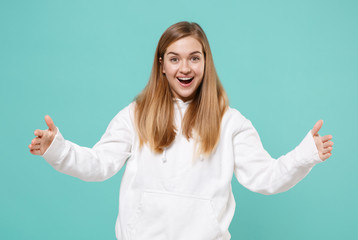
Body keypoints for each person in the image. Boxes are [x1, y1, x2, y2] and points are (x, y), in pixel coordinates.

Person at [28, 21, 333, 240]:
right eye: (174, 59)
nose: (184, 68)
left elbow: (265, 177)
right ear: (162, 65)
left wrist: (305, 154)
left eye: (194, 58)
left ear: (205, 63)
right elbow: (98, 164)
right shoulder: (136, 115)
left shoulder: (231, 123)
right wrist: (58, 148)